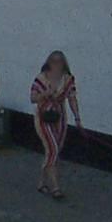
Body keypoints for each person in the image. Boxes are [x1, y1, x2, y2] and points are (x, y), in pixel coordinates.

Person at [29, 50, 81, 199]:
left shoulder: (68, 79)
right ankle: (56, 187)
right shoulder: (41, 78)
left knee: (54, 151)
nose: (56, 64)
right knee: (53, 149)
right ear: (48, 62)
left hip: (60, 117)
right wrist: (45, 94)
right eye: (53, 61)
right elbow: (32, 98)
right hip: (43, 116)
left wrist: (77, 117)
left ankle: (42, 182)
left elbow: (72, 98)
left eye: (59, 61)